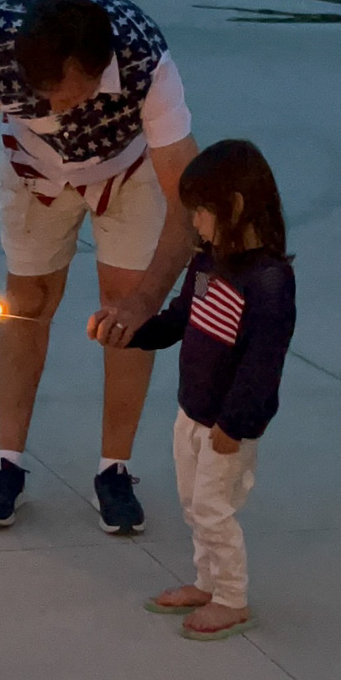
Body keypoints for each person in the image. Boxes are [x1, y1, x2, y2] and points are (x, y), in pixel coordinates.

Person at [0, 0, 197, 534]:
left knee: (124, 310)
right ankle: (6, 462)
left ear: (100, 69)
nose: (56, 107)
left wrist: (147, 299)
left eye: (69, 94)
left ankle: (114, 469)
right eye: (44, 92)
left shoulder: (146, 59)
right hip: (33, 168)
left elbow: (185, 197)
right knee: (27, 303)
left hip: (127, 169)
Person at [102, 139, 296, 642]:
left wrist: (236, 425)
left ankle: (231, 598)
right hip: (191, 413)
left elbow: (262, 366)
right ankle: (207, 583)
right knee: (193, 505)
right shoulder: (207, 263)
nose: (194, 224)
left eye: (200, 212)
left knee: (214, 509)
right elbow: (177, 321)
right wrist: (130, 334)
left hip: (226, 426)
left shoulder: (269, 282)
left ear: (234, 206)